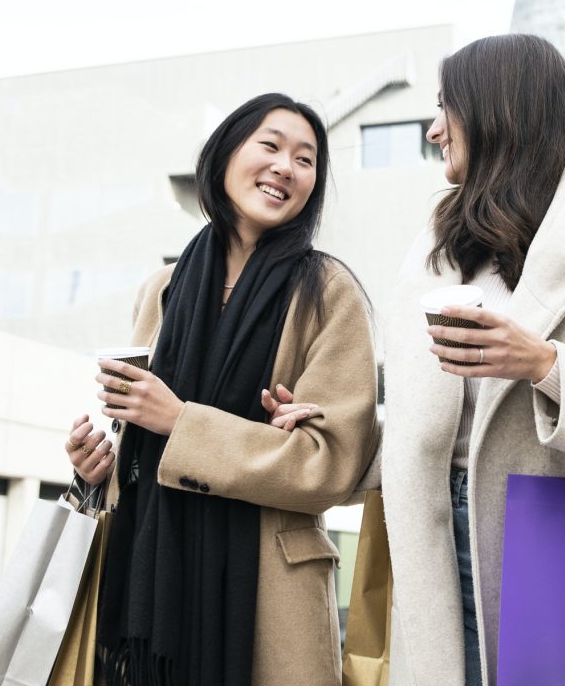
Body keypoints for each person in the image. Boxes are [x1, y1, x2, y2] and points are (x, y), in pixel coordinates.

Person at [275, 34, 565, 685]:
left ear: (496, 110)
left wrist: (545, 365)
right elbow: (441, 432)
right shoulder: (439, 244)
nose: (431, 130)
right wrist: (337, 432)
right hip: (433, 551)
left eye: (445, 108)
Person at [64, 92, 379, 686]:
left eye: (307, 159)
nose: (287, 167)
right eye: (271, 145)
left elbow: (329, 467)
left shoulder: (328, 293)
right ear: (225, 155)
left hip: (268, 600)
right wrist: (96, 471)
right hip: (146, 595)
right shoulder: (162, 290)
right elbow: (141, 452)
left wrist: (182, 422)